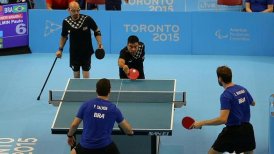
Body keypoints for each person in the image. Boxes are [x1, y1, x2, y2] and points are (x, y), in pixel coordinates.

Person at [193, 66, 256, 154]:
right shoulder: (242, 89)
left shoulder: (226, 95)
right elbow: (253, 103)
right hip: (247, 129)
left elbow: (223, 119)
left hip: (232, 132)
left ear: (220, 78)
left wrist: (201, 122)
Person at [67, 78, 134, 154]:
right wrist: (129, 132)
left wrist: (70, 136)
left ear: (96, 90)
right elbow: (129, 131)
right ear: (110, 90)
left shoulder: (86, 105)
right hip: (105, 147)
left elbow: (74, 125)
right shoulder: (113, 109)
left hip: (85, 147)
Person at [56, 1, 103, 78]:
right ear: (68, 10)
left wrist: (100, 44)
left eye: (78, 10)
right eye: (73, 11)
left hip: (86, 52)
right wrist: (60, 49)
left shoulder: (87, 19)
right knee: (76, 78)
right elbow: (64, 36)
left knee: (86, 79)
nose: (76, 13)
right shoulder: (66, 22)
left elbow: (97, 30)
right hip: (74, 53)